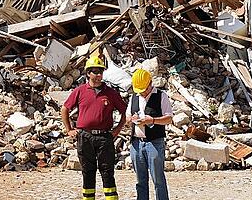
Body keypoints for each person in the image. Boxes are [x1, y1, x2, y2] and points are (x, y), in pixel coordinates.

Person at [62, 53, 127, 200]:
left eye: (101, 71)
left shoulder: (111, 93)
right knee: (88, 171)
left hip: (105, 137)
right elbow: (65, 108)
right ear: (88, 73)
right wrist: (69, 130)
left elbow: (125, 112)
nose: (99, 75)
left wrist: (117, 130)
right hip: (85, 136)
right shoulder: (80, 91)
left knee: (107, 171)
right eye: (95, 72)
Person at [128, 69, 173, 200]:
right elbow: (127, 118)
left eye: (144, 89)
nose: (142, 92)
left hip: (154, 142)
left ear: (150, 84)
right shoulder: (134, 97)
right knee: (140, 181)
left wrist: (152, 120)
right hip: (136, 143)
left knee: (158, 179)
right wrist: (131, 119)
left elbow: (169, 118)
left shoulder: (161, 96)